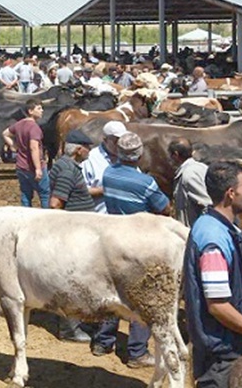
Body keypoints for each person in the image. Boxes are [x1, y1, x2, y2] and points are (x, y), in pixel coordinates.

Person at [184, 160, 242, 387]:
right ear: (230, 194)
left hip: (224, 345)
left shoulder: (219, 227)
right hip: (222, 353)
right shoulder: (214, 241)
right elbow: (218, 306)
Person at [92, 131, 169, 369]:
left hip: (112, 238)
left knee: (111, 292)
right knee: (140, 297)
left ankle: (103, 342)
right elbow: (164, 209)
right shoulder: (146, 183)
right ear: (138, 155)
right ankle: (137, 352)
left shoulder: (108, 174)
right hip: (137, 243)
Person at [47, 129, 95, 342]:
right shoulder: (68, 171)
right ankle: (69, 328)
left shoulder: (64, 165)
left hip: (73, 232)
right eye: (88, 148)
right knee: (72, 280)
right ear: (78, 149)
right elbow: (56, 204)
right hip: (72, 236)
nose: (89, 152)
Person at [2, 99, 50, 208]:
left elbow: (5, 133)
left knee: (25, 194)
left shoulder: (19, 124)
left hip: (21, 166)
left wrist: (14, 146)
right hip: (33, 167)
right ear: (30, 111)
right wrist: (38, 168)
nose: (42, 111)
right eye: (39, 108)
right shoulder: (34, 128)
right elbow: (34, 148)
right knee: (44, 194)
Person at [82, 121, 126, 213]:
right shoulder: (90, 159)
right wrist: (106, 189)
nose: (120, 144)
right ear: (105, 140)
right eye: (115, 141)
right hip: (100, 217)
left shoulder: (126, 157)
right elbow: (82, 190)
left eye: (122, 140)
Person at [170, 138, 212, 228]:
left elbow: (207, 204)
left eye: (171, 155)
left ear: (176, 155)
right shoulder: (201, 167)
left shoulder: (189, 175)